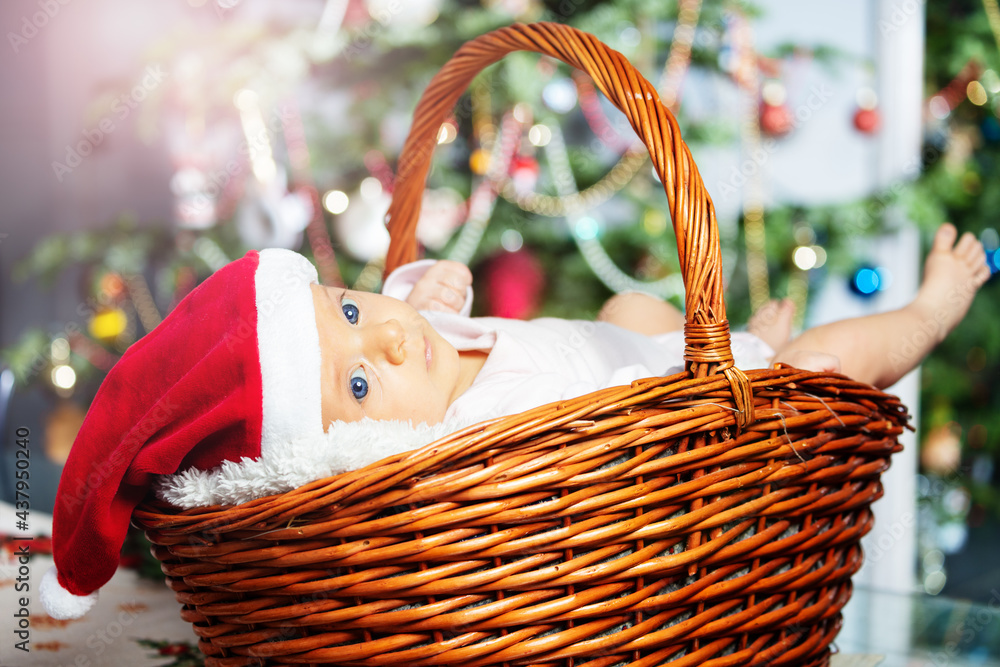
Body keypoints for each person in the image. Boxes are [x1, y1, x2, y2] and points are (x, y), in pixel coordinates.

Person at [40, 222, 988, 620]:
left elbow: (403, 316)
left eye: (357, 313)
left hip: (631, 345)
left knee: (632, 313)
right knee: (821, 365)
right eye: (358, 388)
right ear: (351, 455)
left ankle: (733, 335)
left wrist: (422, 290)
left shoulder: (411, 337)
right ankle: (928, 313)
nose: (394, 346)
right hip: (686, 416)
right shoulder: (434, 466)